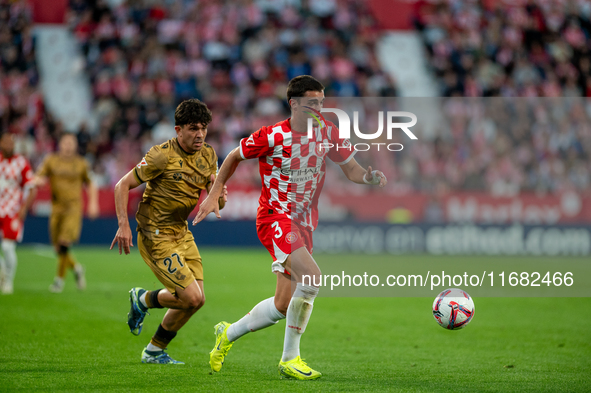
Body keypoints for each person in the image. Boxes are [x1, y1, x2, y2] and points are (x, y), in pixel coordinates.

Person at [194, 75, 387, 380]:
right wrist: (216, 191)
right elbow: (233, 156)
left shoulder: (327, 132)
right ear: (294, 104)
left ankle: (227, 334)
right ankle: (290, 359)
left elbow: (351, 168)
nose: (318, 109)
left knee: (282, 305)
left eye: (321, 103)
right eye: (312, 103)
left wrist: (369, 177)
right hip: (275, 217)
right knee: (312, 276)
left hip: (304, 224)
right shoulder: (272, 136)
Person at [110, 99, 228, 365]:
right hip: (155, 234)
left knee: (196, 301)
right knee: (191, 297)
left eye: (204, 128)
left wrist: (219, 196)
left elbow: (215, 199)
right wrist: (123, 224)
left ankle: (153, 350)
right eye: (193, 128)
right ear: (178, 129)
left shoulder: (208, 155)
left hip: (181, 232)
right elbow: (121, 185)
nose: (200, 134)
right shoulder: (161, 155)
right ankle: (143, 299)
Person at [36, 133, 99, 293]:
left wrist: (93, 203)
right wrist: (39, 180)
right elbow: (39, 176)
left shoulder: (81, 163)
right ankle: (77, 268)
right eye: (66, 142)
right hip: (56, 208)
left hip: (73, 208)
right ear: (60, 144)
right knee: (58, 249)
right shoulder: (51, 160)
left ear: (76, 145)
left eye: (72, 143)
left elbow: (91, 183)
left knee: (64, 243)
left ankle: (58, 281)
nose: (68, 146)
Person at [0, 132, 36, 294]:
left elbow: (32, 187)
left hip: (12, 210)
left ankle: (8, 280)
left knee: (7, 247)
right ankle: (2, 273)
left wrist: (24, 208)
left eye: (11, 143)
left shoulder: (21, 163)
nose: (8, 145)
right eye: (5, 142)